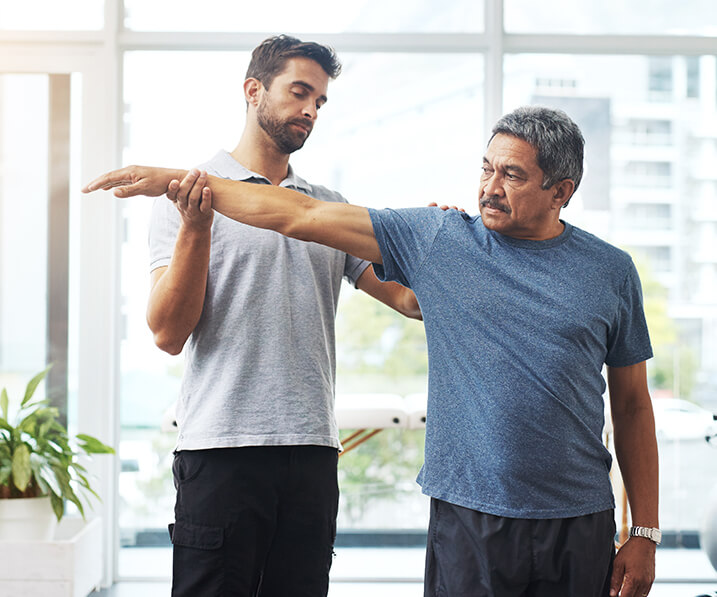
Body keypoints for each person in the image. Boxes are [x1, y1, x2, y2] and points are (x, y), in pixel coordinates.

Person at [84, 105, 659, 597]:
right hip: (468, 516)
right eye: (486, 169)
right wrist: (170, 179)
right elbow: (297, 214)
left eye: (512, 176)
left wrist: (644, 534)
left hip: (579, 519)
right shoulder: (440, 239)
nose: (489, 188)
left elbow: (633, 406)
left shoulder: (610, 271)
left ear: (562, 191)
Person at [90, 35, 421, 597]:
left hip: (312, 451)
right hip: (221, 449)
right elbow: (168, 334)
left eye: (320, 101)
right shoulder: (189, 196)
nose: (311, 111)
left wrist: (442, 250)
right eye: (299, 92)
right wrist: (197, 230)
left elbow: (409, 301)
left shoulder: (324, 207)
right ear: (253, 90)